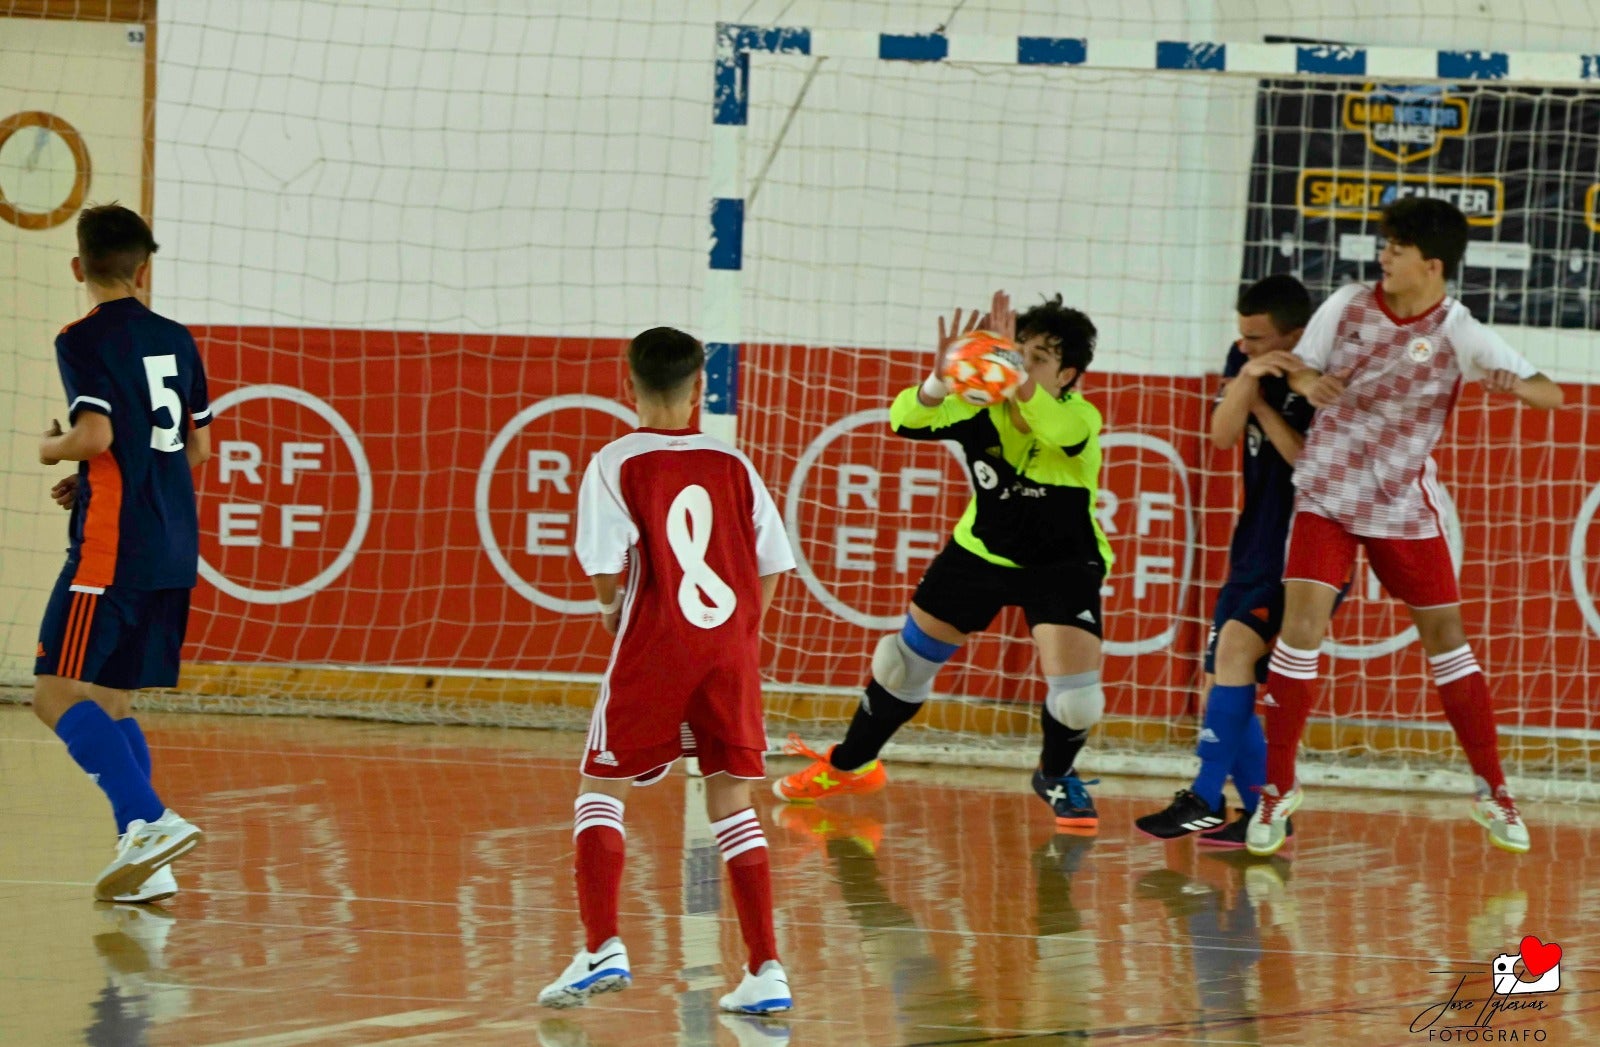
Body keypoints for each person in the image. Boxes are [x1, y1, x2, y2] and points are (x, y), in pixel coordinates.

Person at [1244, 197, 1564, 857]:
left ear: (1432, 263)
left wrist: (1513, 386)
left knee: (1447, 637)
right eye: (1383, 244)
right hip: (1327, 490)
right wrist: (1308, 382)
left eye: (1395, 247)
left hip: (1400, 503)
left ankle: (1493, 787)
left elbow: (1550, 392)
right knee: (1299, 627)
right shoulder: (1349, 303)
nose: (1382, 256)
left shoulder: (1460, 329)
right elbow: (1299, 364)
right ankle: (1277, 788)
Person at [774, 291, 1114, 832]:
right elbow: (903, 421)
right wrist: (941, 378)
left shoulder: (1080, 418)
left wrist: (1014, 377)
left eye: (1037, 358)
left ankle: (1056, 775)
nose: (1018, 363)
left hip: (1062, 564)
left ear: (1067, 374)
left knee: (1079, 701)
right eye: (1015, 349)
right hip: (979, 553)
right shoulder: (980, 407)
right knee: (900, 664)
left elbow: (1061, 434)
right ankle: (851, 764)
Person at [538, 327, 796, 1014]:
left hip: (656, 640)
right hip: (730, 650)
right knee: (730, 801)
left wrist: (612, 611)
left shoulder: (616, 460)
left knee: (600, 785)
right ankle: (766, 967)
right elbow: (774, 564)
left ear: (631, 385)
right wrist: (738, 635)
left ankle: (601, 946)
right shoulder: (734, 462)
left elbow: (601, 566)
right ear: (697, 391)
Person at [33, 203, 211, 902]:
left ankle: (148, 818)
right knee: (109, 696)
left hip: (111, 549)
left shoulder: (81, 337)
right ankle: (147, 860)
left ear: (80, 267)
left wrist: (52, 447)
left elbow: (96, 434)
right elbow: (193, 447)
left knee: (51, 693)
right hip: (173, 542)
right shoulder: (176, 337)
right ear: (144, 270)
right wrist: (95, 476)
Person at [1136, 275, 1328, 845]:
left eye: (1257, 339)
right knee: (1222, 678)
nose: (1244, 345)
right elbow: (1222, 435)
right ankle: (1261, 814)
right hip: (1253, 546)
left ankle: (1204, 796)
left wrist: (1267, 409)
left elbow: (1310, 465)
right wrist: (1247, 376)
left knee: (1238, 652)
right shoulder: (1245, 359)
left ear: (1296, 335)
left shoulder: (1328, 375)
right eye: (1239, 336)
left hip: (1305, 551)